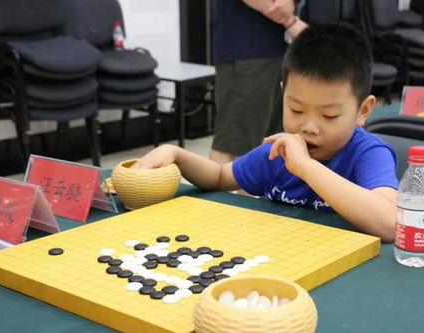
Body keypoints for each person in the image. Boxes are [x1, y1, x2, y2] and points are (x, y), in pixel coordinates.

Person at [133, 23, 398, 242]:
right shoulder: (278, 150)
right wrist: (177, 154)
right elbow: (220, 176)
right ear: (283, 95)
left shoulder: (368, 153)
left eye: (329, 115)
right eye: (296, 109)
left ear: (363, 110)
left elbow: (390, 224)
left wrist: (306, 167)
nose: (308, 126)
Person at [210, 0, 308, 164]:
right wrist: (288, 19)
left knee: (272, 142)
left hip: (278, 47)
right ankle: (222, 190)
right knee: (235, 146)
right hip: (247, 48)